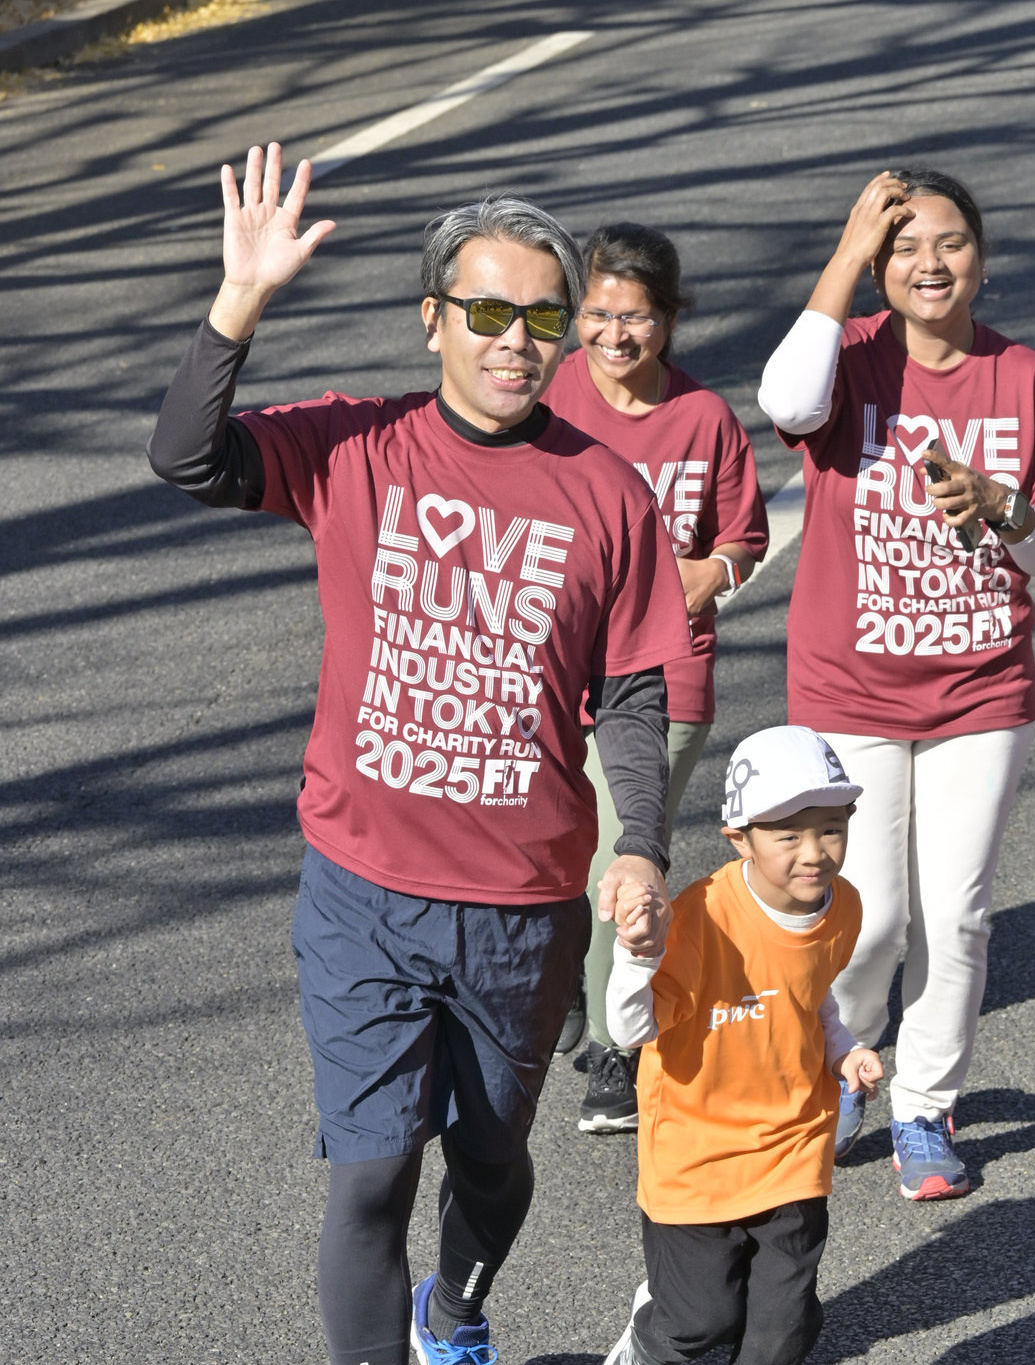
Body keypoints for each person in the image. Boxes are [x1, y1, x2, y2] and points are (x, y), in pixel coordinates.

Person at [146, 142, 693, 1365]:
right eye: (488, 312)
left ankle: (455, 1309)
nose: (516, 341)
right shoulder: (355, 446)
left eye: (541, 316)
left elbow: (634, 691)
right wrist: (239, 302)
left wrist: (643, 848)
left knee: (492, 1159)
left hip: (522, 902)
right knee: (371, 1173)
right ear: (433, 320)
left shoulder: (608, 494)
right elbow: (186, 457)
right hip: (364, 893)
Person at [756, 169, 1035, 1200]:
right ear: (878, 266)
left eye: (949, 242)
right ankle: (845, 1065)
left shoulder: (1026, 378)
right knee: (868, 916)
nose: (930, 263)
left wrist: (1002, 505)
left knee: (956, 918)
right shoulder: (848, 358)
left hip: (980, 694)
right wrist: (846, 254)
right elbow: (784, 402)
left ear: (981, 259)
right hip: (848, 688)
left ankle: (924, 1105)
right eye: (904, 246)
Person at [543, 222, 768, 1133]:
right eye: (596, 314)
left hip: (667, 673)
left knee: (617, 854)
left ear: (668, 320)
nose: (613, 335)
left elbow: (743, 539)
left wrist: (708, 575)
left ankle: (616, 1045)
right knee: (551, 845)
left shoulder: (703, 418)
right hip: (551, 664)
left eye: (634, 317)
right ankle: (569, 972)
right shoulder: (547, 398)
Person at [602, 725, 882, 1365]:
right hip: (695, 1152)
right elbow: (629, 1030)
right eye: (788, 836)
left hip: (793, 1142)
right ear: (739, 839)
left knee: (780, 1334)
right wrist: (636, 955)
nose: (814, 853)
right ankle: (652, 1330)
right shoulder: (699, 919)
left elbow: (810, 996)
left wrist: (843, 1050)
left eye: (831, 829)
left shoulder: (844, 907)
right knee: (702, 1321)